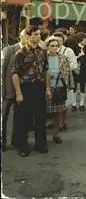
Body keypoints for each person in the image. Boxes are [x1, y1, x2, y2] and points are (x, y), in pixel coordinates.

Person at [12, 25, 51, 157]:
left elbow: (46, 70)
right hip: (26, 88)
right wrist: (18, 93)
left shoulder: (43, 52)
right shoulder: (20, 53)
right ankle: (22, 146)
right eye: (34, 34)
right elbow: (16, 74)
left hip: (39, 87)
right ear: (28, 36)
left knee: (40, 117)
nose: (37, 36)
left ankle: (41, 144)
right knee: (24, 119)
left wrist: (47, 88)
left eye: (39, 34)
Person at [1, 29, 27, 151]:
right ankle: (2, 141)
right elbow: (3, 70)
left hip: (23, 89)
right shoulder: (10, 49)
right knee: (3, 117)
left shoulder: (30, 51)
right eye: (26, 36)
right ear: (21, 37)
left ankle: (16, 140)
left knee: (19, 116)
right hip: (8, 90)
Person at [44, 36, 70, 144]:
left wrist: (66, 86)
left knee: (57, 113)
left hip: (59, 86)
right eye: (52, 46)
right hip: (46, 87)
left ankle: (55, 134)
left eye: (56, 46)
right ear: (47, 46)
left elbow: (66, 72)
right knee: (44, 113)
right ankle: (43, 136)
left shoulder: (62, 57)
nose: (54, 48)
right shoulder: (43, 57)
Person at [53, 32, 79, 130]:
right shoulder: (51, 49)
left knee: (64, 101)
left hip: (65, 78)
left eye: (60, 40)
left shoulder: (68, 51)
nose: (58, 42)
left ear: (63, 41)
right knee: (55, 102)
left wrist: (65, 68)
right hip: (53, 78)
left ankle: (62, 122)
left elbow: (74, 64)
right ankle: (56, 122)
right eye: (56, 40)